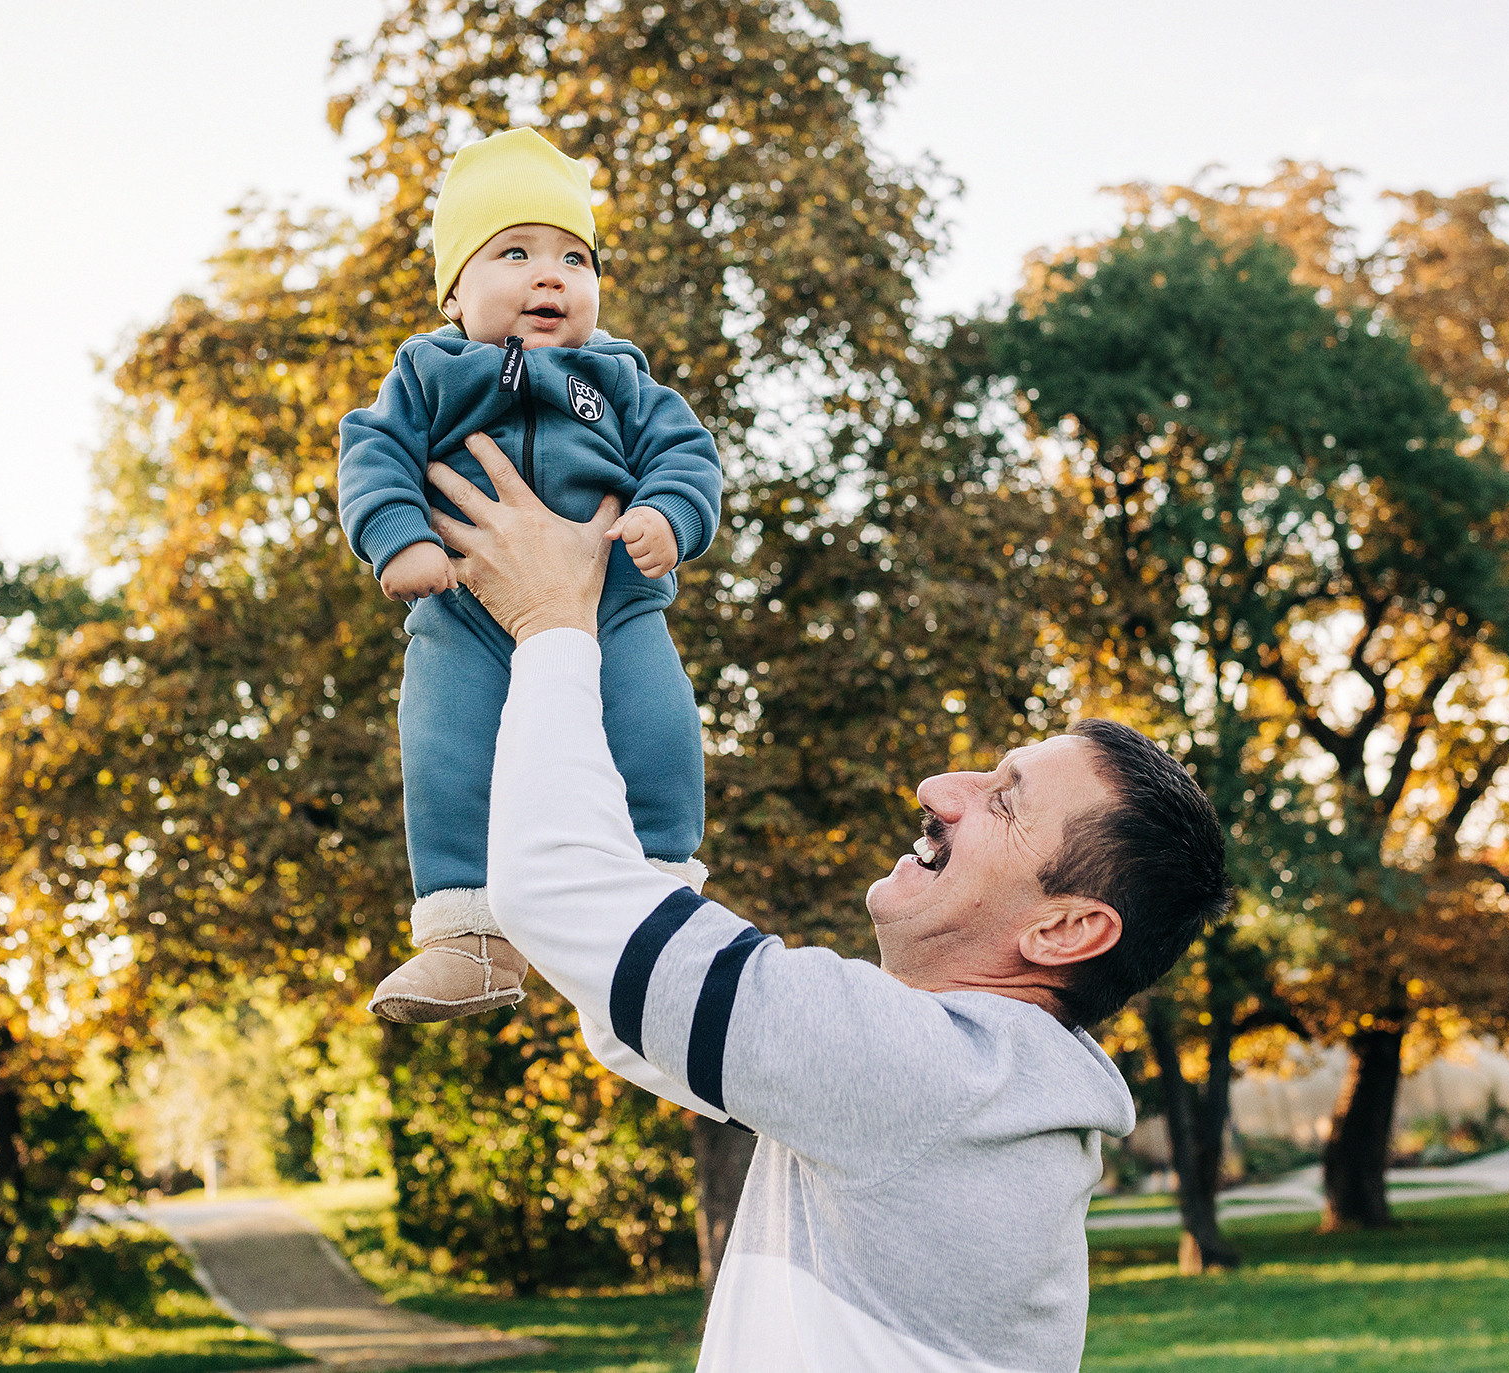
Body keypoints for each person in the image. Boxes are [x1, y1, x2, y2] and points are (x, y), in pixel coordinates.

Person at [427, 441, 1232, 1372]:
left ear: (1064, 929)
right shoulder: (984, 1090)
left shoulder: (936, 1079)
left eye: (1002, 799)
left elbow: (559, 888)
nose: (939, 785)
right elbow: (628, 1010)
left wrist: (552, 623)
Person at [337, 127, 722, 1022]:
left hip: (615, 604)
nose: (552, 276)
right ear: (456, 291)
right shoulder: (427, 371)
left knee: (657, 730)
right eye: (516, 252)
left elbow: (687, 454)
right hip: (461, 609)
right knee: (445, 749)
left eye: (575, 259)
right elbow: (372, 452)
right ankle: (471, 939)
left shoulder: (621, 377)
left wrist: (667, 514)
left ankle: (661, 888)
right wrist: (398, 536)